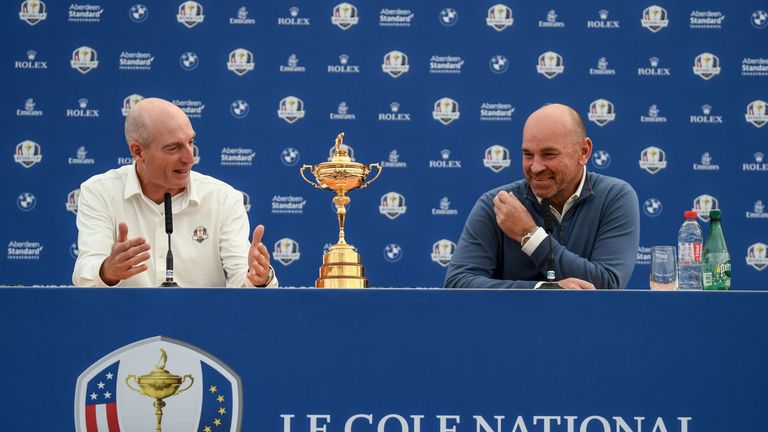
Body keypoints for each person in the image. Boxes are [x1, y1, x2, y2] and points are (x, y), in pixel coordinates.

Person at [73, 97, 277, 288]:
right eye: (173, 148)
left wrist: (259, 278)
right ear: (138, 151)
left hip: (203, 323)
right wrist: (108, 271)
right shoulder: (99, 192)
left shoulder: (223, 199)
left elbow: (243, 281)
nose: (190, 158)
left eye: (191, 142)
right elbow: (85, 275)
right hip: (125, 322)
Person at [444, 103, 639, 289]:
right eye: (528, 155)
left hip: (588, 324)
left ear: (584, 151)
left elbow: (606, 286)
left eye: (549, 154)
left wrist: (529, 235)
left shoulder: (615, 197)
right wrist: (544, 288)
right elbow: (457, 284)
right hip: (512, 324)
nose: (535, 167)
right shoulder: (496, 205)